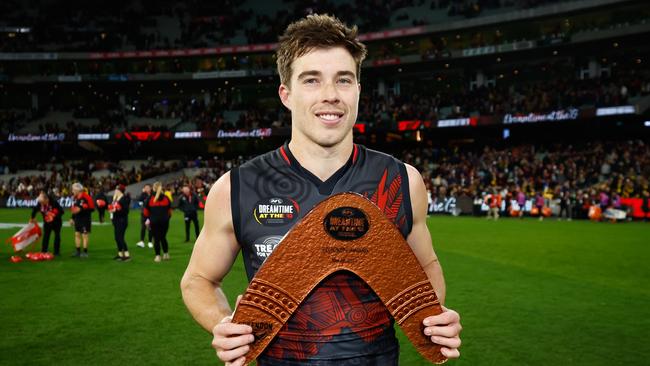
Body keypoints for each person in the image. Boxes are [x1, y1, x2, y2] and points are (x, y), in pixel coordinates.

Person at [180, 15, 461, 366]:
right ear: (286, 93)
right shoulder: (236, 187)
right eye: (311, 80)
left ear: (358, 89)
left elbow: (427, 265)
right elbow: (198, 280)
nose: (330, 96)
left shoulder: (403, 180)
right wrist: (222, 324)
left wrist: (432, 317)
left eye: (343, 80)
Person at [144, 181, 172, 262]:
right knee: (163, 237)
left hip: (154, 222)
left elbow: (146, 212)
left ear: (153, 188)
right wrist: (166, 218)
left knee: (156, 239)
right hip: (164, 222)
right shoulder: (166, 198)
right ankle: (166, 254)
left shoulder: (150, 199)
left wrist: (148, 219)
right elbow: (170, 212)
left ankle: (158, 256)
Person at [30, 190, 64, 256]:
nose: (41, 204)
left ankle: (56, 252)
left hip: (56, 222)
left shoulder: (54, 203)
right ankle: (44, 250)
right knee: (46, 236)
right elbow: (35, 209)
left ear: (47, 199)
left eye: (43, 202)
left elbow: (62, 211)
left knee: (57, 236)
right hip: (47, 222)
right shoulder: (40, 203)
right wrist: (32, 218)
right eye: (40, 203)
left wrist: (53, 215)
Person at [70, 182, 94, 258]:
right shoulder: (76, 198)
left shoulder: (85, 197)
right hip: (78, 219)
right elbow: (75, 209)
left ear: (78, 190)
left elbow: (91, 208)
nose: (72, 191)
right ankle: (78, 251)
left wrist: (82, 209)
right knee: (77, 234)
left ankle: (85, 252)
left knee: (84, 235)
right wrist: (72, 218)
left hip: (85, 220)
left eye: (73, 189)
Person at [109, 184, 131, 261]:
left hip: (122, 220)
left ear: (119, 190)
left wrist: (117, 210)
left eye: (116, 189)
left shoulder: (124, 198)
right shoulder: (115, 198)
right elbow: (114, 208)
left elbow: (126, 211)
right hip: (116, 220)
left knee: (120, 237)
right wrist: (111, 209)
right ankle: (120, 254)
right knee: (117, 238)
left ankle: (127, 255)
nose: (115, 190)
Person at [136, 183, 154, 248]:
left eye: (148, 187)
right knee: (143, 227)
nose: (147, 189)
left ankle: (150, 242)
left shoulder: (153, 194)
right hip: (144, 213)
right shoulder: (143, 194)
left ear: (151, 188)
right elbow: (140, 202)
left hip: (151, 214)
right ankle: (142, 241)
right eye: (145, 187)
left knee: (150, 228)